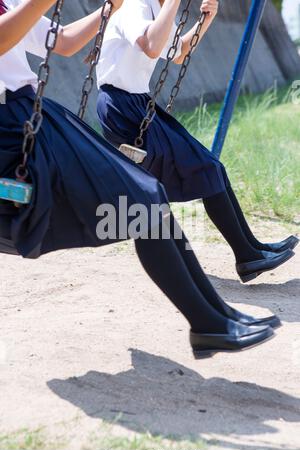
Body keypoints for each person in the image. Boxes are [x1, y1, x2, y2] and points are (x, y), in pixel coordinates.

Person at [0, 0, 278, 357]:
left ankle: (217, 314)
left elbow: (64, 41)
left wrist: (107, 8)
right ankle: (210, 323)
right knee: (142, 203)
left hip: (35, 116)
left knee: (150, 195)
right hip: (10, 129)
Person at [96, 0, 298, 284]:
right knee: (203, 167)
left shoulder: (155, 10)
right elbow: (152, 47)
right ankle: (247, 255)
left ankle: (252, 248)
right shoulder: (134, 8)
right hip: (123, 106)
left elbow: (177, 52)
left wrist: (206, 19)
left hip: (137, 103)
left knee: (212, 165)